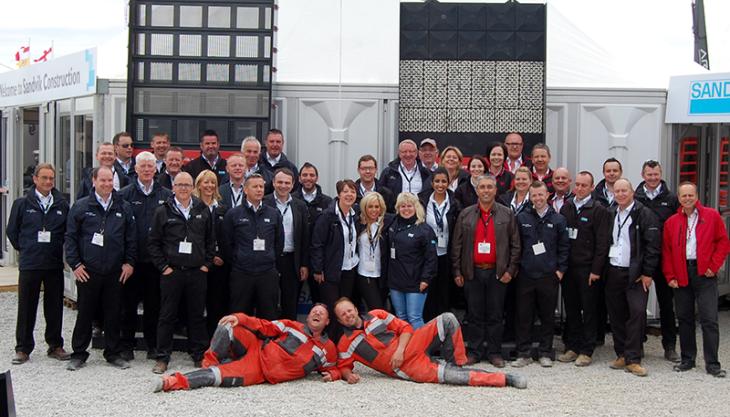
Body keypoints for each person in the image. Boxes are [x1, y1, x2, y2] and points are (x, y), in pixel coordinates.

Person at [331, 298, 526, 388]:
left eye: (349, 310)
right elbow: (344, 367)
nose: (348, 315)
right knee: (453, 378)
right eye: (343, 315)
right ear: (340, 321)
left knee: (448, 319)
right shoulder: (345, 343)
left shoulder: (377, 314)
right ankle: (504, 379)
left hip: (411, 344)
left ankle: (456, 362)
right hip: (406, 367)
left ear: (356, 309)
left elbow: (406, 328)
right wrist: (348, 377)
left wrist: (399, 350)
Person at [154, 304, 338, 392]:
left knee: (216, 376)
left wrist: (336, 375)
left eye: (321, 313)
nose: (317, 312)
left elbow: (335, 367)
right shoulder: (291, 325)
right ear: (307, 317)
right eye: (314, 310)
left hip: (259, 371)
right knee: (228, 324)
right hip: (257, 347)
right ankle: (209, 362)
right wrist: (240, 317)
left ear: (327, 322)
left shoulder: (328, 349)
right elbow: (263, 325)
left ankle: (172, 382)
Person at [65, 166, 137, 371]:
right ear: (93, 181)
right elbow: (70, 238)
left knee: (113, 313)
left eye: (110, 181)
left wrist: (129, 263)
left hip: (115, 271)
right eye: (102, 180)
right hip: (88, 271)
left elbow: (131, 238)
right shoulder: (80, 207)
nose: (107, 184)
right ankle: (79, 353)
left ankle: (112, 353)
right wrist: (76, 265)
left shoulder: (123, 206)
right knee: (85, 313)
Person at [148, 172, 215, 374]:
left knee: (196, 315)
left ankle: (197, 354)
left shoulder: (202, 209)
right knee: (167, 315)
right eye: (180, 185)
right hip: (172, 272)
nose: (184, 188)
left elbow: (211, 240)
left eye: (187, 184)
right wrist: (163, 267)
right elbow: (153, 243)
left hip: (196, 272)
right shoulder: (163, 211)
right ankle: (162, 357)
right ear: (173, 187)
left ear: (192, 187)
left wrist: (206, 264)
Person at [451, 175, 520, 368]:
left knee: (496, 315)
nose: (486, 190)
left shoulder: (507, 214)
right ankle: (474, 351)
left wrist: (511, 270)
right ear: (477, 191)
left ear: (496, 190)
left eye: (490, 187)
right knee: (474, 314)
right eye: (482, 187)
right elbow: (456, 245)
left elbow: (516, 245)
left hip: (498, 273)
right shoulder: (466, 214)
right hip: (472, 273)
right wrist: (457, 271)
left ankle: (494, 352)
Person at [663, 182, 730, 378]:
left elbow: (723, 242)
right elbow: (666, 252)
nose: (687, 199)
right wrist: (670, 276)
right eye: (684, 196)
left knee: (709, 319)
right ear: (679, 198)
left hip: (704, 274)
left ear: (697, 195)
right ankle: (688, 359)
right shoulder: (672, 222)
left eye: (690, 195)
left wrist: (714, 266)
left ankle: (712, 363)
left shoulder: (711, 216)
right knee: (684, 319)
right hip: (682, 272)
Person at [8, 163, 70, 365]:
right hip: (30, 264)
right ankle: (23, 348)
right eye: (44, 178)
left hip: (52, 263)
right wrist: (25, 248)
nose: (48, 182)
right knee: (27, 306)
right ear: (35, 179)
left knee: (54, 307)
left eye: (51, 178)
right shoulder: (22, 203)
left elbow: (67, 232)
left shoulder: (61, 204)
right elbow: (12, 231)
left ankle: (55, 345)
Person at [118, 152, 173, 362]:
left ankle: (153, 345)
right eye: (143, 166)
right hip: (132, 261)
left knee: (154, 306)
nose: (147, 169)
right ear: (136, 169)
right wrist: (126, 259)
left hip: (156, 262)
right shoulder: (125, 194)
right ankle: (126, 346)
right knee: (128, 305)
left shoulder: (167, 195)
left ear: (156, 169)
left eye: (151, 166)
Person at [604, 178, 660, 377]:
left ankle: (633, 359)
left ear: (632, 192)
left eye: (624, 191)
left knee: (636, 314)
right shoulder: (610, 213)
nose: (620, 194)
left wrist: (647, 273)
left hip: (635, 274)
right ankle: (621, 354)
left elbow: (653, 246)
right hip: (613, 271)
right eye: (617, 191)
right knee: (616, 315)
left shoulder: (644, 214)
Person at [511, 181, 569, 368]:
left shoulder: (558, 220)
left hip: (548, 275)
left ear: (547, 195)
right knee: (523, 315)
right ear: (530, 197)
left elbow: (564, 247)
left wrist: (560, 270)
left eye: (540, 195)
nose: (537, 199)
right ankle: (524, 353)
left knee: (547, 316)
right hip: (526, 275)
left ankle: (545, 352)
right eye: (534, 195)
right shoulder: (522, 218)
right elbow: (516, 245)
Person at [558, 171, 610, 367]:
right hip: (569, 269)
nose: (579, 188)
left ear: (591, 187)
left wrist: (596, 270)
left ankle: (587, 350)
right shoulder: (567, 207)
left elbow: (602, 244)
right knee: (571, 309)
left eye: (583, 185)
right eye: (577, 185)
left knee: (589, 310)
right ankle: (572, 346)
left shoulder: (599, 210)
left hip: (588, 270)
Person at [634, 160, 680, 362]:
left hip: (663, 258)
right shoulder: (635, 198)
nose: (652, 178)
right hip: (640, 258)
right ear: (643, 175)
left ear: (660, 174)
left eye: (656, 174)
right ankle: (639, 343)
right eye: (649, 174)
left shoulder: (671, 199)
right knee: (638, 304)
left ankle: (669, 346)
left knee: (666, 304)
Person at [222, 174, 284, 319]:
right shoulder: (233, 214)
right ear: (245, 189)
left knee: (269, 316)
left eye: (261, 187)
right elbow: (227, 243)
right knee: (240, 316)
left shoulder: (273, 214)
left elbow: (279, 242)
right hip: (242, 273)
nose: (259, 190)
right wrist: (239, 259)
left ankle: (267, 342)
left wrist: (270, 258)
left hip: (267, 273)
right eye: (255, 187)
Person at [310, 180, 360, 333]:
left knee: (345, 310)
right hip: (330, 270)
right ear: (338, 194)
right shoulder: (327, 216)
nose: (349, 195)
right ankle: (333, 343)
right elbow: (317, 243)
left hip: (349, 268)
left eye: (352, 191)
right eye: (345, 191)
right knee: (333, 309)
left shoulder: (356, 214)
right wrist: (318, 269)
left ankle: (345, 343)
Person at [385, 192, 438, 330]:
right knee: (401, 317)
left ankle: (422, 349)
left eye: (409, 206)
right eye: (402, 206)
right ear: (398, 208)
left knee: (414, 317)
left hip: (416, 282)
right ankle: (406, 350)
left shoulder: (424, 229)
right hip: (396, 282)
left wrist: (426, 279)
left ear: (416, 207)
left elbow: (431, 258)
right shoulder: (392, 224)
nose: (406, 209)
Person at [263, 168, 310, 320]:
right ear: (274, 183)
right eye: (280, 182)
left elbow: (304, 237)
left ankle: (289, 336)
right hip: (270, 260)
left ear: (293, 184)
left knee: (290, 302)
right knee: (268, 301)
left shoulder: (300, 205)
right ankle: (269, 336)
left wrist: (304, 264)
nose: (283, 186)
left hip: (292, 260)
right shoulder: (264, 202)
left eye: (287, 183)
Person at [419, 168, 462, 321]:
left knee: (444, 292)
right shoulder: (422, 201)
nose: (440, 184)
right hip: (427, 254)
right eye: (437, 181)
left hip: (445, 253)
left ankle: (444, 326)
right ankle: (429, 326)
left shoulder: (454, 202)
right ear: (432, 183)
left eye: (444, 181)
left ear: (448, 183)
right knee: (429, 292)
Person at [193, 170, 231, 338]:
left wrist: (220, 255)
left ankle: (213, 340)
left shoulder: (223, 209)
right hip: (198, 264)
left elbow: (227, 237)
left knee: (216, 304)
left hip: (219, 264)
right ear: (199, 184)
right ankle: (197, 340)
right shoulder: (192, 207)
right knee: (197, 305)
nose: (209, 186)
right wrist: (207, 258)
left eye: (212, 182)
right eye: (205, 182)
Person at [292, 162, 332, 305]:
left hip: (318, 259)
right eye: (305, 175)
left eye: (311, 175)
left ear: (317, 178)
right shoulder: (292, 200)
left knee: (320, 300)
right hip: (295, 258)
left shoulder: (327, 202)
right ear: (299, 178)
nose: (308, 178)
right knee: (291, 299)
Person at [355, 192, 392, 310]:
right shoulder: (358, 224)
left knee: (381, 310)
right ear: (364, 207)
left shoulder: (387, 224)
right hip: (364, 274)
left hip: (382, 275)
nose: (374, 210)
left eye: (377, 206)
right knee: (377, 309)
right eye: (370, 206)